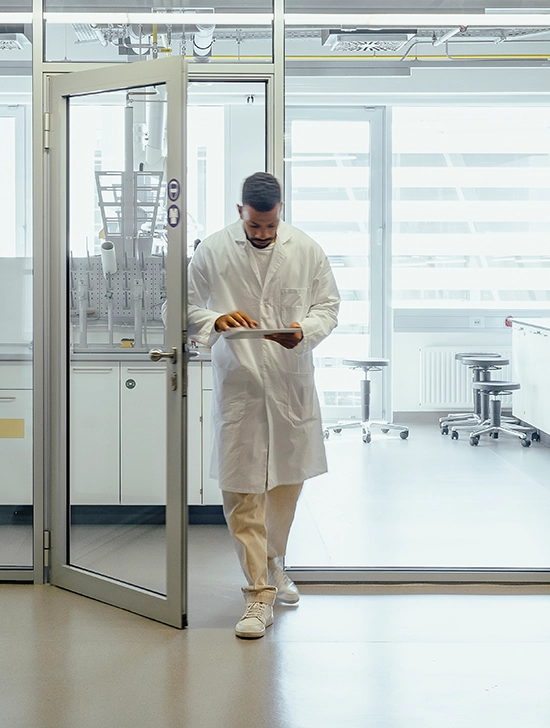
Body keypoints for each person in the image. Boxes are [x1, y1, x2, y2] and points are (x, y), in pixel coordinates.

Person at [187, 172, 340, 639]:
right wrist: (216, 318)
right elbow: (189, 307)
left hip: (289, 382)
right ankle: (257, 595)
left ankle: (275, 566)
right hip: (241, 383)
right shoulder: (212, 250)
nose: (262, 234)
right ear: (240, 213)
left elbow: (328, 307)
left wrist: (302, 330)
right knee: (242, 492)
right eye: (255, 226)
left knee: (285, 487)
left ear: (280, 213)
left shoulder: (307, 249)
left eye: (270, 226)